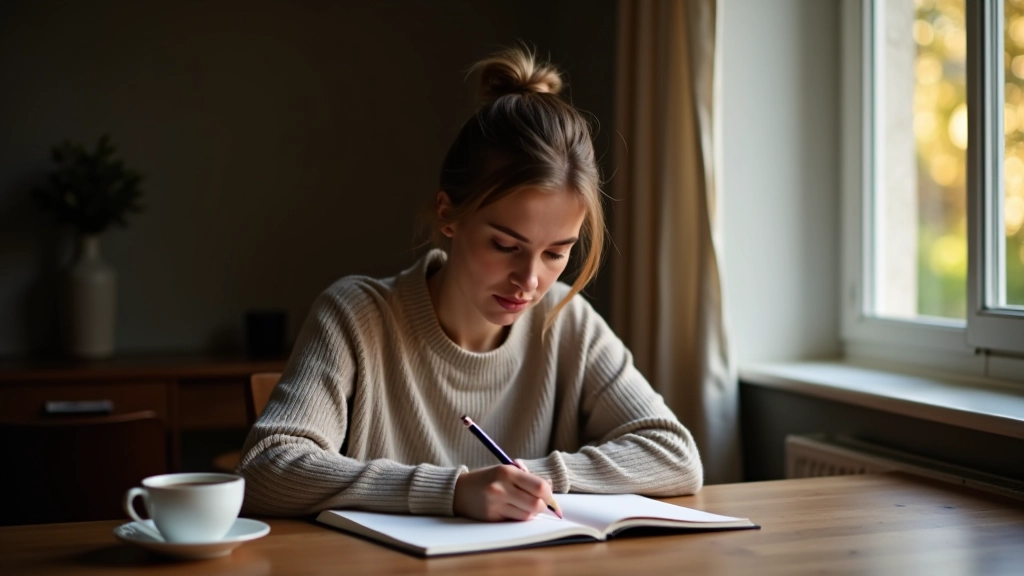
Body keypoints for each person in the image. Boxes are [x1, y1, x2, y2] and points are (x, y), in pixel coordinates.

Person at [238, 45, 703, 522]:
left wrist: (529, 479)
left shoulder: (566, 320)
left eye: (556, 253)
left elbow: (674, 456)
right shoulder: (355, 316)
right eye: (505, 246)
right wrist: (453, 489)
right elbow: (266, 470)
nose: (529, 280)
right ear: (448, 215)